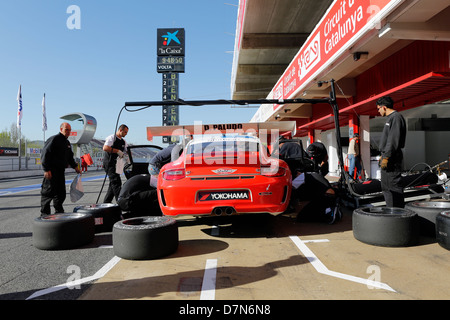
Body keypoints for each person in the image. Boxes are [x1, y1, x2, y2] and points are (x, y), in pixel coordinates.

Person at [40, 122, 81, 216]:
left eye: (70, 130)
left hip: (60, 172)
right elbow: (45, 153)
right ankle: (44, 214)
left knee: (61, 193)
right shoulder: (54, 139)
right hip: (51, 171)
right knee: (48, 193)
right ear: (61, 129)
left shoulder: (67, 143)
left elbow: (70, 157)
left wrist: (75, 167)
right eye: (66, 129)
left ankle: (59, 211)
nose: (68, 132)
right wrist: (46, 169)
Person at [376, 96, 406, 208]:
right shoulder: (391, 118)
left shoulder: (396, 117)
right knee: (386, 187)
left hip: (392, 159)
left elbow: (393, 140)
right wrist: (383, 156)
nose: (378, 111)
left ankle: (397, 214)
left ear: (384, 107)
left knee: (393, 187)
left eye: (378, 108)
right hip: (387, 156)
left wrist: (387, 157)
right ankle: (391, 212)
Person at [103, 124, 129, 203]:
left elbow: (127, 151)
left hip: (116, 165)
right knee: (116, 183)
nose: (126, 134)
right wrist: (117, 151)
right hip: (109, 164)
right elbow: (105, 148)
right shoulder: (112, 138)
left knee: (112, 184)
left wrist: (127, 158)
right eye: (125, 132)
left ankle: (106, 202)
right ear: (120, 130)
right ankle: (121, 203)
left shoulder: (123, 142)